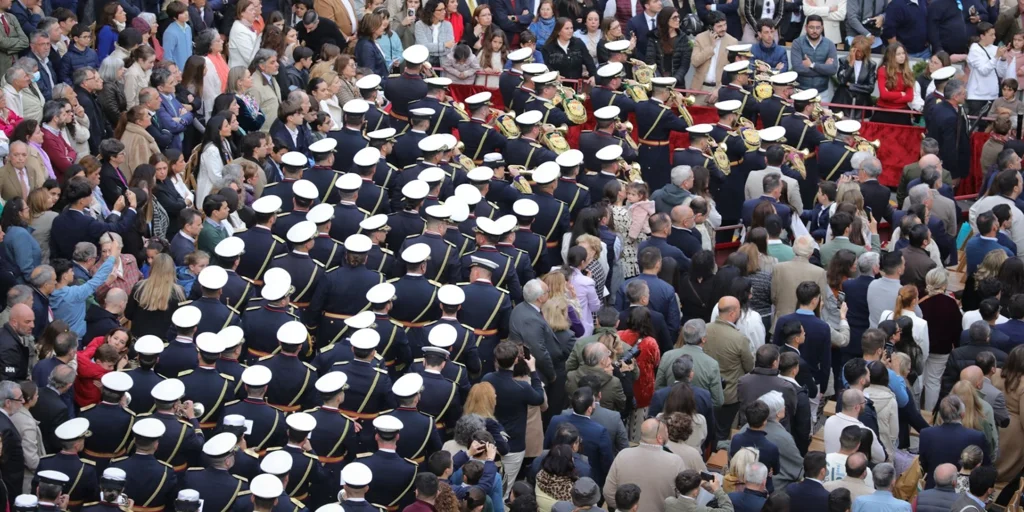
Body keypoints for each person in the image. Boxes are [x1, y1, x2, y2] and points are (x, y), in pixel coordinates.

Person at [603, 418, 687, 512]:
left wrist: (625, 509)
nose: (668, 434)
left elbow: (608, 492)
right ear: (659, 438)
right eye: (666, 432)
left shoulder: (623, 455)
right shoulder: (675, 461)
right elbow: (684, 498)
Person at [919, 395, 991, 488]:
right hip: (962, 490)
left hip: (934, 486)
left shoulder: (926, 434)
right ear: (962, 415)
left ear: (941, 415)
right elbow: (985, 467)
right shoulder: (976, 437)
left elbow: (923, 465)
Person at [690, 11, 736, 98]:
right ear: (710, 27)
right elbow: (695, 62)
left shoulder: (732, 42)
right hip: (700, 89)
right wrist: (711, 46)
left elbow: (733, 70)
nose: (723, 28)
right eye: (719, 26)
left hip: (720, 90)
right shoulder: (700, 38)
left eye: (725, 25)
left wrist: (719, 89)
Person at [966, 22, 1008, 117]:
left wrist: (1003, 59)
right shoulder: (975, 49)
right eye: (991, 35)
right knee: (976, 128)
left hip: (993, 95)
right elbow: (983, 70)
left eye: (994, 34)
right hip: (977, 97)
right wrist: (996, 57)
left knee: (990, 126)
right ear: (982, 36)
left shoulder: (995, 48)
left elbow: (1001, 73)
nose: (994, 37)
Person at [790, 16, 838, 96]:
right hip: (801, 91)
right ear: (806, 27)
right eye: (811, 27)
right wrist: (824, 68)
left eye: (818, 27)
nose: (815, 31)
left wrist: (812, 65)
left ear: (822, 28)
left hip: (822, 92)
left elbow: (833, 69)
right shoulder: (797, 43)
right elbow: (797, 68)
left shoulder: (830, 44)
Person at [873, 43, 915, 124]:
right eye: (898, 54)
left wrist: (890, 97)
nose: (902, 56)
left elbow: (909, 97)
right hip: (883, 112)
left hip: (902, 113)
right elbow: (884, 95)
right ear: (891, 56)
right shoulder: (882, 70)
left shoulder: (907, 72)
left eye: (903, 53)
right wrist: (901, 94)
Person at [0, 380, 26, 502]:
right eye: (20, 399)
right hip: (8, 486)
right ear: (8, 402)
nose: (23, 402)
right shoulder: (6, 429)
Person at [664, 469, 734, 512]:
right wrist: (718, 490)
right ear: (695, 492)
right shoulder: (700, 510)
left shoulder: (668, 502)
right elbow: (729, 510)